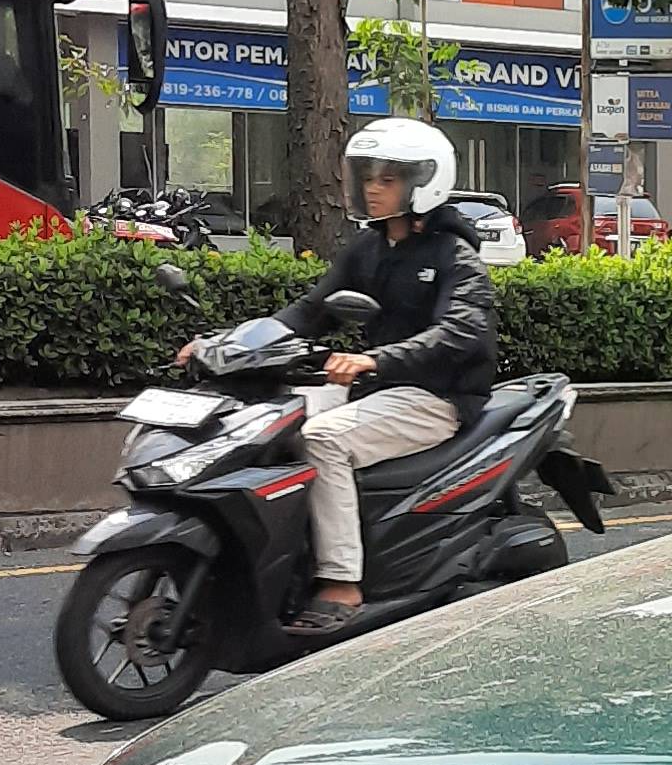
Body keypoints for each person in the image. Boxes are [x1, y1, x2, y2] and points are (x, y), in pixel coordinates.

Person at [184, 116, 498, 615]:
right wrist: (221, 345)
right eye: (368, 177)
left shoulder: (455, 256)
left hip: (435, 397)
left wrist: (373, 358)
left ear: (423, 181)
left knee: (322, 438)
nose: (373, 189)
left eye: (387, 179)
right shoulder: (369, 248)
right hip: (377, 391)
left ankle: (341, 579)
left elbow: (458, 333)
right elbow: (308, 313)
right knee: (265, 422)